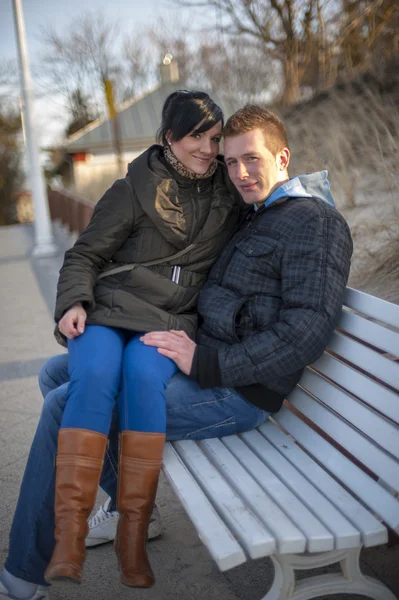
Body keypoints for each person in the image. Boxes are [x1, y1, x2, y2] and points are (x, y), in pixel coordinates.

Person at [0, 105, 352, 600]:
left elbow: (307, 329)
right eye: (229, 163)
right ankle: (129, 507)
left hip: (237, 389)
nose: (238, 173)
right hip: (200, 358)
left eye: (250, 160)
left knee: (64, 407)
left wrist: (207, 362)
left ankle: (22, 575)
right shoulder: (253, 212)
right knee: (58, 374)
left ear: (283, 157)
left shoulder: (313, 222)